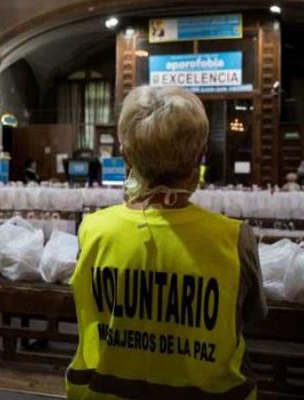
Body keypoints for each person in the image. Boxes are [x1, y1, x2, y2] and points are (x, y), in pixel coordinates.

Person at [66, 85, 267, 400]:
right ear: (200, 156)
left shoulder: (93, 230)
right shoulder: (233, 238)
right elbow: (253, 317)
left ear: (126, 156)